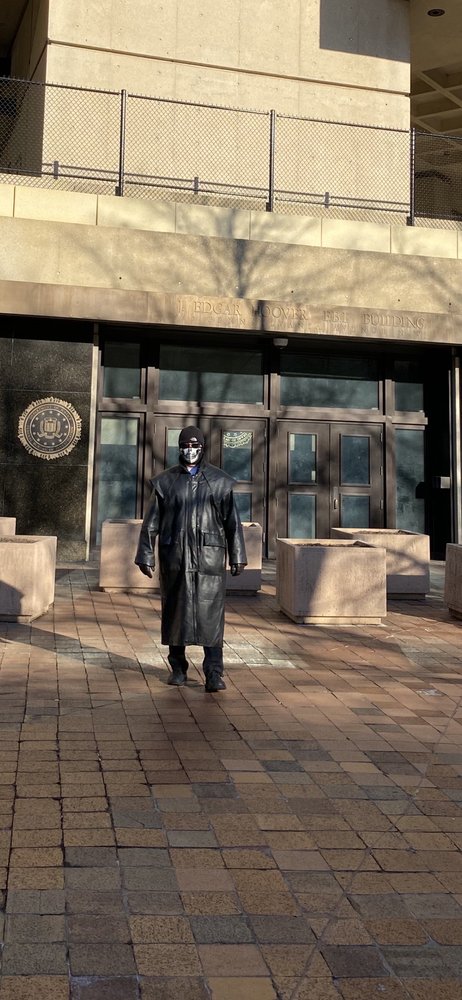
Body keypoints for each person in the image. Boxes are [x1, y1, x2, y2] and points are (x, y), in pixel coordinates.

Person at [135, 426, 247, 692]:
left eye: (195, 446)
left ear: (203, 448)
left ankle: (214, 673)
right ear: (179, 448)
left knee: (212, 618)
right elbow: (151, 523)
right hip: (176, 557)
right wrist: (145, 554)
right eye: (185, 445)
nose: (190, 450)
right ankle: (178, 668)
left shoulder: (219, 482)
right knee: (176, 613)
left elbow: (232, 522)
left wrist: (238, 555)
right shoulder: (165, 482)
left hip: (209, 559)